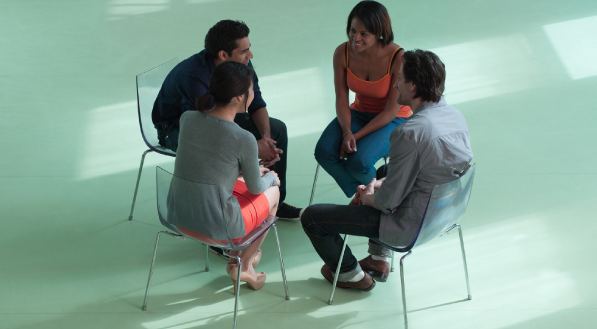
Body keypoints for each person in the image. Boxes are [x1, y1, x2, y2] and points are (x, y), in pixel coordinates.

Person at [301, 50, 473, 291]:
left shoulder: (408, 133)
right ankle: (379, 259)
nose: (395, 83)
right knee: (384, 172)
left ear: (413, 86)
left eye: (400, 79)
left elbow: (387, 204)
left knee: (312, 218)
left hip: (411, 225)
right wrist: (377, 184)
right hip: (446, 213)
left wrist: (366, 195)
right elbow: (428, 173)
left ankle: (351, 275)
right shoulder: (456, 116)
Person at [153, 19, 302, 220]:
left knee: (277, 129)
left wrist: (266, 140)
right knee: (218, 152)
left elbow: (256, 103)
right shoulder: (193, 76)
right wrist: (252, 148)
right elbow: (204, 132)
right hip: (179, 127)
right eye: (244, 51)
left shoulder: (241, 65)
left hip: (218, 117)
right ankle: (215, 217)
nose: (250, 55)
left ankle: (275, 201)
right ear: (223, 55)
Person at [170, 61, 281, 290]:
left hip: (178, 216)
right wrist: (271, 178)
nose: (253, 93)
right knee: (274, 193)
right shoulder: (243, 138)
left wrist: (246, 171)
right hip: (218, 228)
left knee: (240, 182)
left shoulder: (187, 119)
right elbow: (257, 188)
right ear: (240, 97)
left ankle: (239, 256)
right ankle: (244, 264)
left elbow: (209, 165)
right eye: (251, 89)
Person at [313, 0, 412, 199]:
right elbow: (341, 99)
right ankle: (364, 196)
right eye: (352, 30)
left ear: (379, 33)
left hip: (394, 119)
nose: (355, 38)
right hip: (358, 112)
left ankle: (380, 200)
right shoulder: (342, 52)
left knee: (360, 162)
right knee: (324, 152)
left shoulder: (398, 57)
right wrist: (347, 131)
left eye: (364, 34)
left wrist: (354, 137)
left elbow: (391, 110)